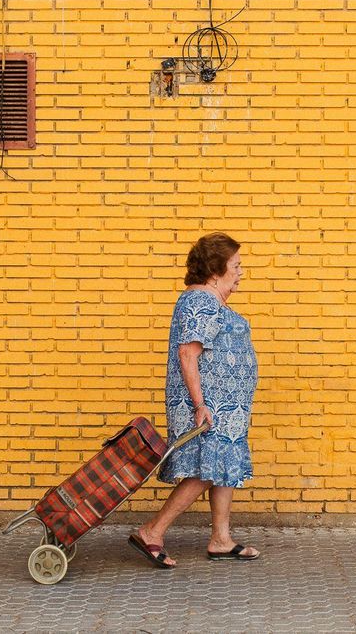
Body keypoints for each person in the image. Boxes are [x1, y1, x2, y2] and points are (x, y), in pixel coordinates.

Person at [128, 232, 261, 567]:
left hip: (226, 407)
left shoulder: (210, 300)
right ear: (216, 270)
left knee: (221, 467)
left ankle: (221, 538)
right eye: (236, 265)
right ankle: (152, 531)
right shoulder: (201, 301)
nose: (241, 272)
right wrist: (200, 404)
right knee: (206, 468)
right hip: (208, 405)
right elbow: (188, 353)